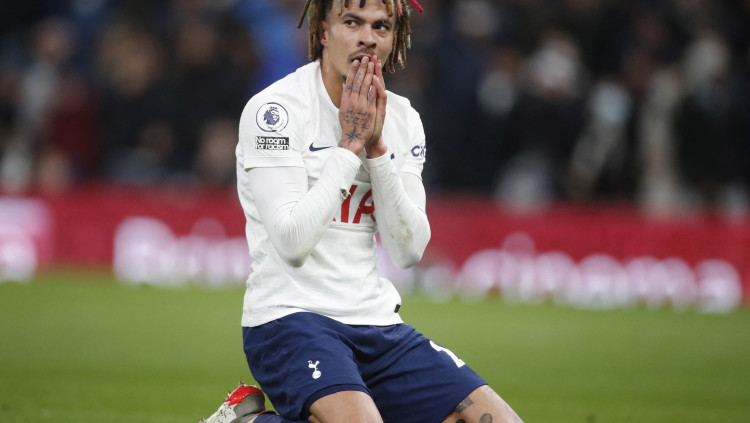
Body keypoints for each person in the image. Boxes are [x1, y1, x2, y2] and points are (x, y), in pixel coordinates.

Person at [200, 1, 524, 422]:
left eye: (381, 27)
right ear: (323, 32)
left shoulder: (403, 119)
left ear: (394, 39)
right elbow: (292, 244)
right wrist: (349, 146)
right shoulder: (275, 111)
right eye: (352, 22)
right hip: (290, 319)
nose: (367, 38)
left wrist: (377, 149)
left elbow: (408, 251)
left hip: (376, 322)